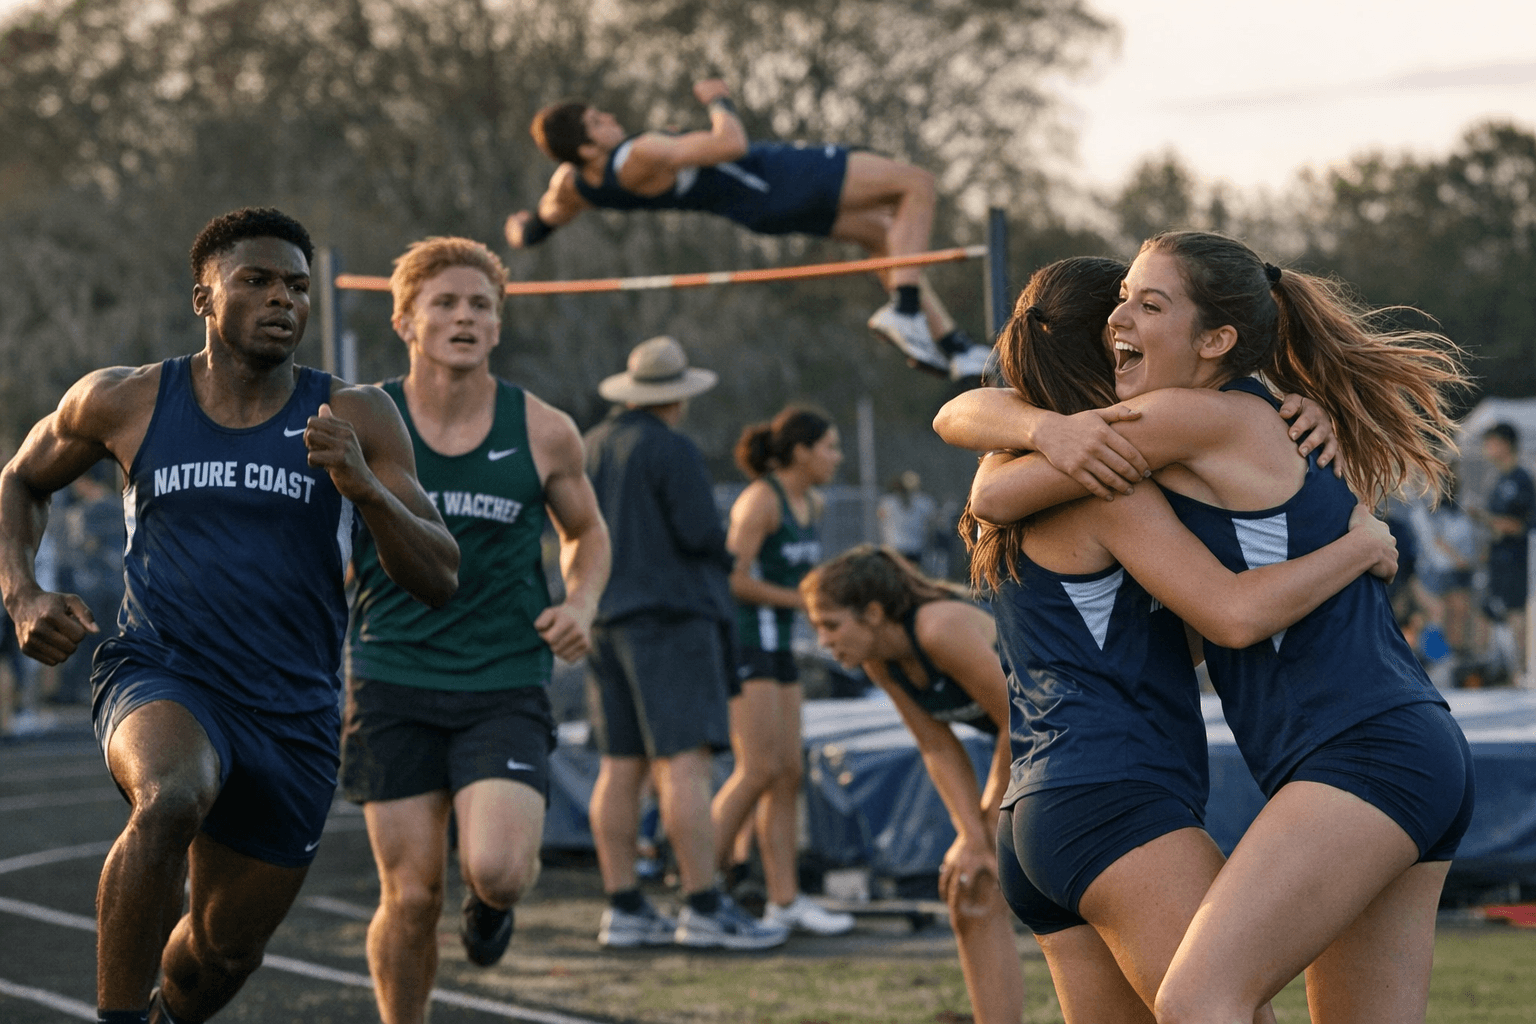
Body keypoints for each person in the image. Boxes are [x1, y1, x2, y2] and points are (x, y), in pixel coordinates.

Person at [947, 235, 1474, 1024]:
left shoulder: (1185, 417)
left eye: (1149, 303)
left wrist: (1035, 431)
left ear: (1216, 340)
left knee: (1198, 1001)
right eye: (1122, 298)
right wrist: (1043, 428)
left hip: (1365, 751)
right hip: (1396, 745)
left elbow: (989, 486)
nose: (1124, 317)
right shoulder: (1238, 415)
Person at [0, 207, 460, 1024]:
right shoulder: (128, 399)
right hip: (163, 672)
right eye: (256, 280)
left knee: (219, 956)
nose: (283, 299)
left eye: (297, 286)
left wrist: (366, 489)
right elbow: (19, 481)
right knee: (171, 795)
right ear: (203, 299)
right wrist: (22, 593)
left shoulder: (355, 417)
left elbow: (439, 574)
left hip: (294, 713)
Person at [339, 238, 610, 1024]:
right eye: (446, 303)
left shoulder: (545, 429)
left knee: (495, 869)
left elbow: (587, 532)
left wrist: (581, 603)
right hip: (391, 675)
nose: (464, 317)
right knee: (412, 892)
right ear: (405, 320)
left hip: (503, 680)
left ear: (498, 324)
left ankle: (491, 908)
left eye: (480, 305)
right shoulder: (362, 420)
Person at [509, 79, 989, 381]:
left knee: (882, 234)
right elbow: (731, 142)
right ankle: (906, 310)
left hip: (758, 212)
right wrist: (718, 97)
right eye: (598, 120)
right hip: (772, 177)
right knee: (916, 184)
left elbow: (541, 224)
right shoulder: (641, 152)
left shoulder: (574, 186)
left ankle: (952, 345)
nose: (611, 118)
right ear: (588, 147)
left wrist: (518, 233)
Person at [583, 335, 788, 950]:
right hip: (670, 620)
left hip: (603, 616)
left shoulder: (592, 445)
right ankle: (701, 904)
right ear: (677, 396)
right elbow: (702, 534)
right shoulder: (670, 448)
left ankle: (623, 904)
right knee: (683, 764)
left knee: (620, 765)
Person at [800, 546, 1023, 1024]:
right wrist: (971, 836)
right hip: (1035, 740)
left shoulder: (939, 629)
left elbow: (1017, 719)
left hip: (1077, 730)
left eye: (831, 624)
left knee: (1050, 890)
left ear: (874, 614)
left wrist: (984, 824)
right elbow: (936, 746)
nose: (822, 641)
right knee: (972, 886)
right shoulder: (881, 659)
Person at [711, 406, 855, 936]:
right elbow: (731, 578)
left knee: (789, 772)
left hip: (780, 651)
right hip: (747, 645)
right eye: (830, 448)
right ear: (801, 451)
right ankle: (698, 888)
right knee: (758, 769)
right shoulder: (760, 500)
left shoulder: (810, 503)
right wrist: (801, 601)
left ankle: (784, 900)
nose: (836, 458)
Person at [1476, 422, 1533, 684]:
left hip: (1518, 558)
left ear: (1505, 444)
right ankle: (1504, 670)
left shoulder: (1521, 479)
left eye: (1491, 442)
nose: (1487, 448)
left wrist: (1486, 519)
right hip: (1498, 559)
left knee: (1516, 612)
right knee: (1494, 612)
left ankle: (1521, 670)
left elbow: (1522, 524)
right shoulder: (1497, 479)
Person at [876, 470, 939, 566]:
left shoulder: (887, 502)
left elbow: (880, 519)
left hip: (897, 548)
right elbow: (934, 522)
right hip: (912, 548)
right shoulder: (925, 502)